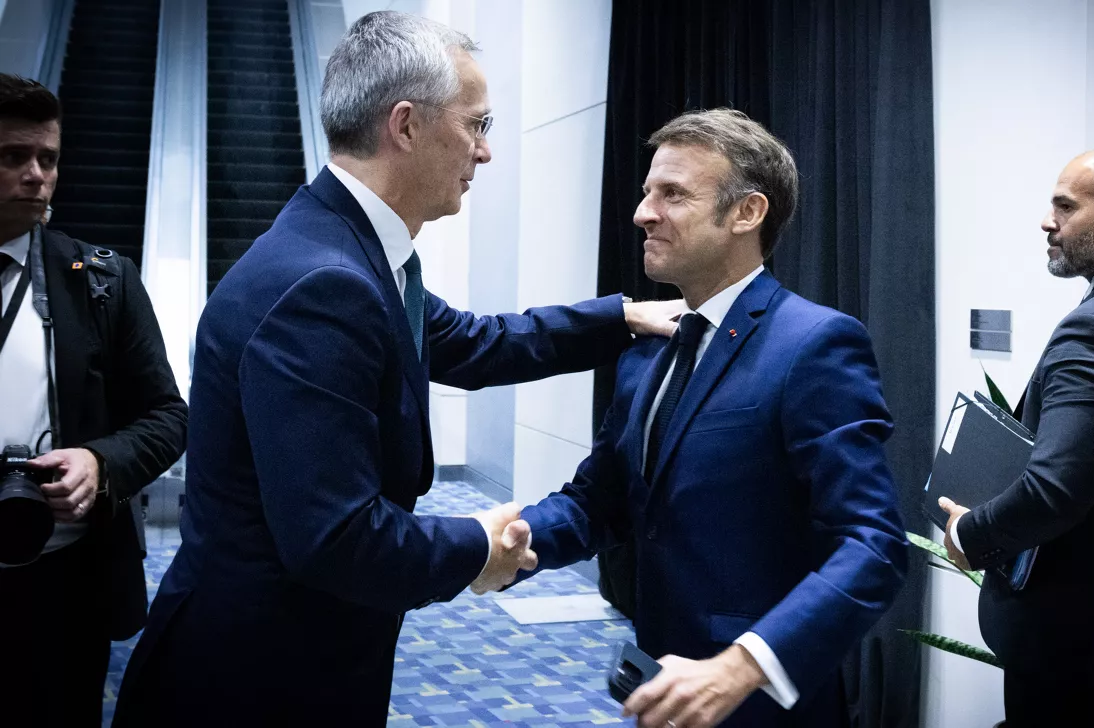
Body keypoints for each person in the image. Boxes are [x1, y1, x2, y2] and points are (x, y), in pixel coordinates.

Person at [111, 12, 679, 727]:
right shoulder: (325, 284)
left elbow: (472, 342)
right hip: (257, 678)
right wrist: (478, 545)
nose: (485, 151)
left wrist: (619, 317)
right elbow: (337, 537)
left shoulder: (350, 250)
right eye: (477, 124)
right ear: (405, 126)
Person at [502, 108, 908, 728]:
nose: (643, 213)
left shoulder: (815, 344)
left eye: (673, 194)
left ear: (746, 212)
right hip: (663, 685)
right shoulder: (651, 350)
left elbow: (873, 545)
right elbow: (600, 500)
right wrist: (514, 542)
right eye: (647, 193)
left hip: (761, 705)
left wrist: (743, 665)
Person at [937, 148, 1094, 726]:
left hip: (1065, 634)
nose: (1047, 222)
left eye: (1065, 207)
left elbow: (1056, 489)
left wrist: (969, 532)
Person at [0, 74, 188, 727]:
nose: (36, 175)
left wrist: (101, 463)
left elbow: (169, 416)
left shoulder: (103, 281)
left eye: (47, 158)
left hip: (65, 579)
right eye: (13, 156)